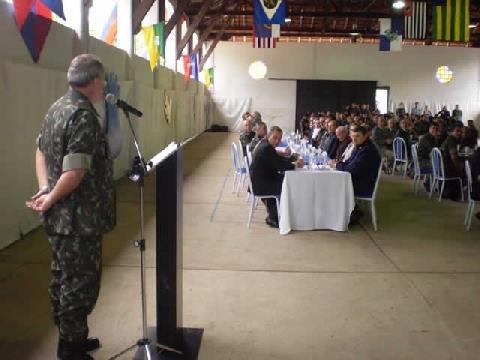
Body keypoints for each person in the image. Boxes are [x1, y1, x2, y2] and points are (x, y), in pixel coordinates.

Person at [26, 54, 115, 360]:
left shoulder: (57, 108)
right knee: (80, 284)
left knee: (62, 276)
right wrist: (50, 196)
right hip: (79, 219)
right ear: (92, 82)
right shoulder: (82, 115)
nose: (103, 85)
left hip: (59, 218)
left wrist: (44, 188)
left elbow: (39, 150)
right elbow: (75, 172)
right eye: (102, 80)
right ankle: (72, 349)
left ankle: (70, 338)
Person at [250, 126, 304, 228]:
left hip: (262, 179)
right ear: (269, 135)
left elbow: (277, 160)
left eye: (279, 138)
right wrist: (296, 164)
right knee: (286, 187)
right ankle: (273, 217)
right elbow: (280, 166)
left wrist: (292, 158)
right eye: (275, 137)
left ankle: (275, 212)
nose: (277, 141)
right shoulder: (266, 148)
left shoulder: (266, 144)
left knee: (285, 180)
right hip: (260, 184)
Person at [336, 125, 381, 225]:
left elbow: (351, 170)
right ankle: (349, 211)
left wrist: (337, 165)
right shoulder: (359, 146)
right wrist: (339, 164)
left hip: (364, 185)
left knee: (335, 185)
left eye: (357, 136)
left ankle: (347, 215)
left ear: (365, 136)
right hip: (358, 179)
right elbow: (348, 163)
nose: (354, 139)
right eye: (352, 136)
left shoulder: (367, 150)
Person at [440, 122, 465, 200]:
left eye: (461, 131)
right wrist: (460, 167)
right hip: (448, 169)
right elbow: (454, 158)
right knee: (469, 169)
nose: (459, 133)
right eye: (457, 131)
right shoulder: (452, 141)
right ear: (452, 131)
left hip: (442, 167)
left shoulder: (449, 138)